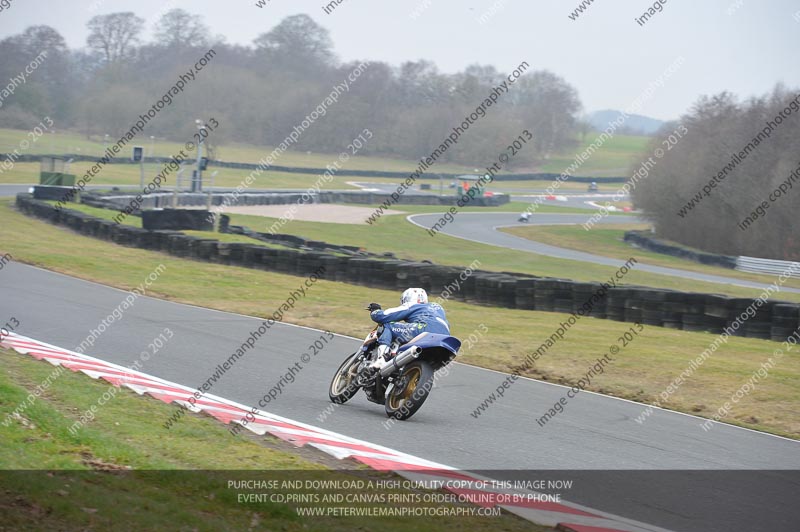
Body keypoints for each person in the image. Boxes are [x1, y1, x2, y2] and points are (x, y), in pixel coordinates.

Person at [366, 288, 450, 370]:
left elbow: (384, 316)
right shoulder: (438, 308)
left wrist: (375, 311)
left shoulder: (411, 305)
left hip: (423, 329)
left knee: (388, 325)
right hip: (445, 338)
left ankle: (381, 360)